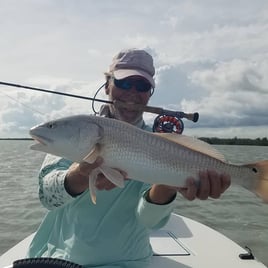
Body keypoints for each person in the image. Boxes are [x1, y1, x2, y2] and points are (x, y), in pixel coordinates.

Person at [27, 48, 231, 267]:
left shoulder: (159, 144)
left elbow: (150, 221)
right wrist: (81, 174)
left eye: (142, 86)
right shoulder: (78, 130)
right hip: (64, 258)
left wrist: (168, 185)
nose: (132, 92)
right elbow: (47, 198)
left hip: (130, 261)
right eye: (124, 83)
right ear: (107, 85)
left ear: (149, 93)